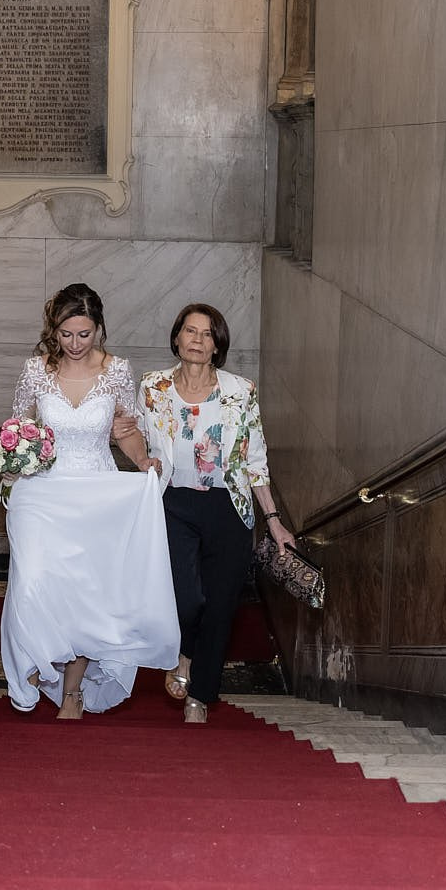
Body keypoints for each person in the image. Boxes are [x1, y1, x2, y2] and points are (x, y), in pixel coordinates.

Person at [0, 283, 180, 719]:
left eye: (84, 334)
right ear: (53, 330)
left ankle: (73, 691)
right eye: (65, 335)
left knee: (88, 593)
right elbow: (19, 427)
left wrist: (144, 461)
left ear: (98, 329)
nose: (75, 344)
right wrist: (11, 460)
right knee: (34, 579)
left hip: (98, 490)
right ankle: (39, 660)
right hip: (41, 493)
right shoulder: (35, 371)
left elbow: (125, 429)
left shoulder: (117, 371)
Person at [136, 303, 296, 724]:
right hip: (173, 503)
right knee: (185, 598)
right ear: (176, 338)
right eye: (190, 331)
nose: (197, 340)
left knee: (221, 604)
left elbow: (255, 460)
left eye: (207, 334)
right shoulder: (152, 388)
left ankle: (200, 695)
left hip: (229, 506)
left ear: (217, 345)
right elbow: (135, 437)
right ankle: (185, 649)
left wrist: (275, 521)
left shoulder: (240, 391)